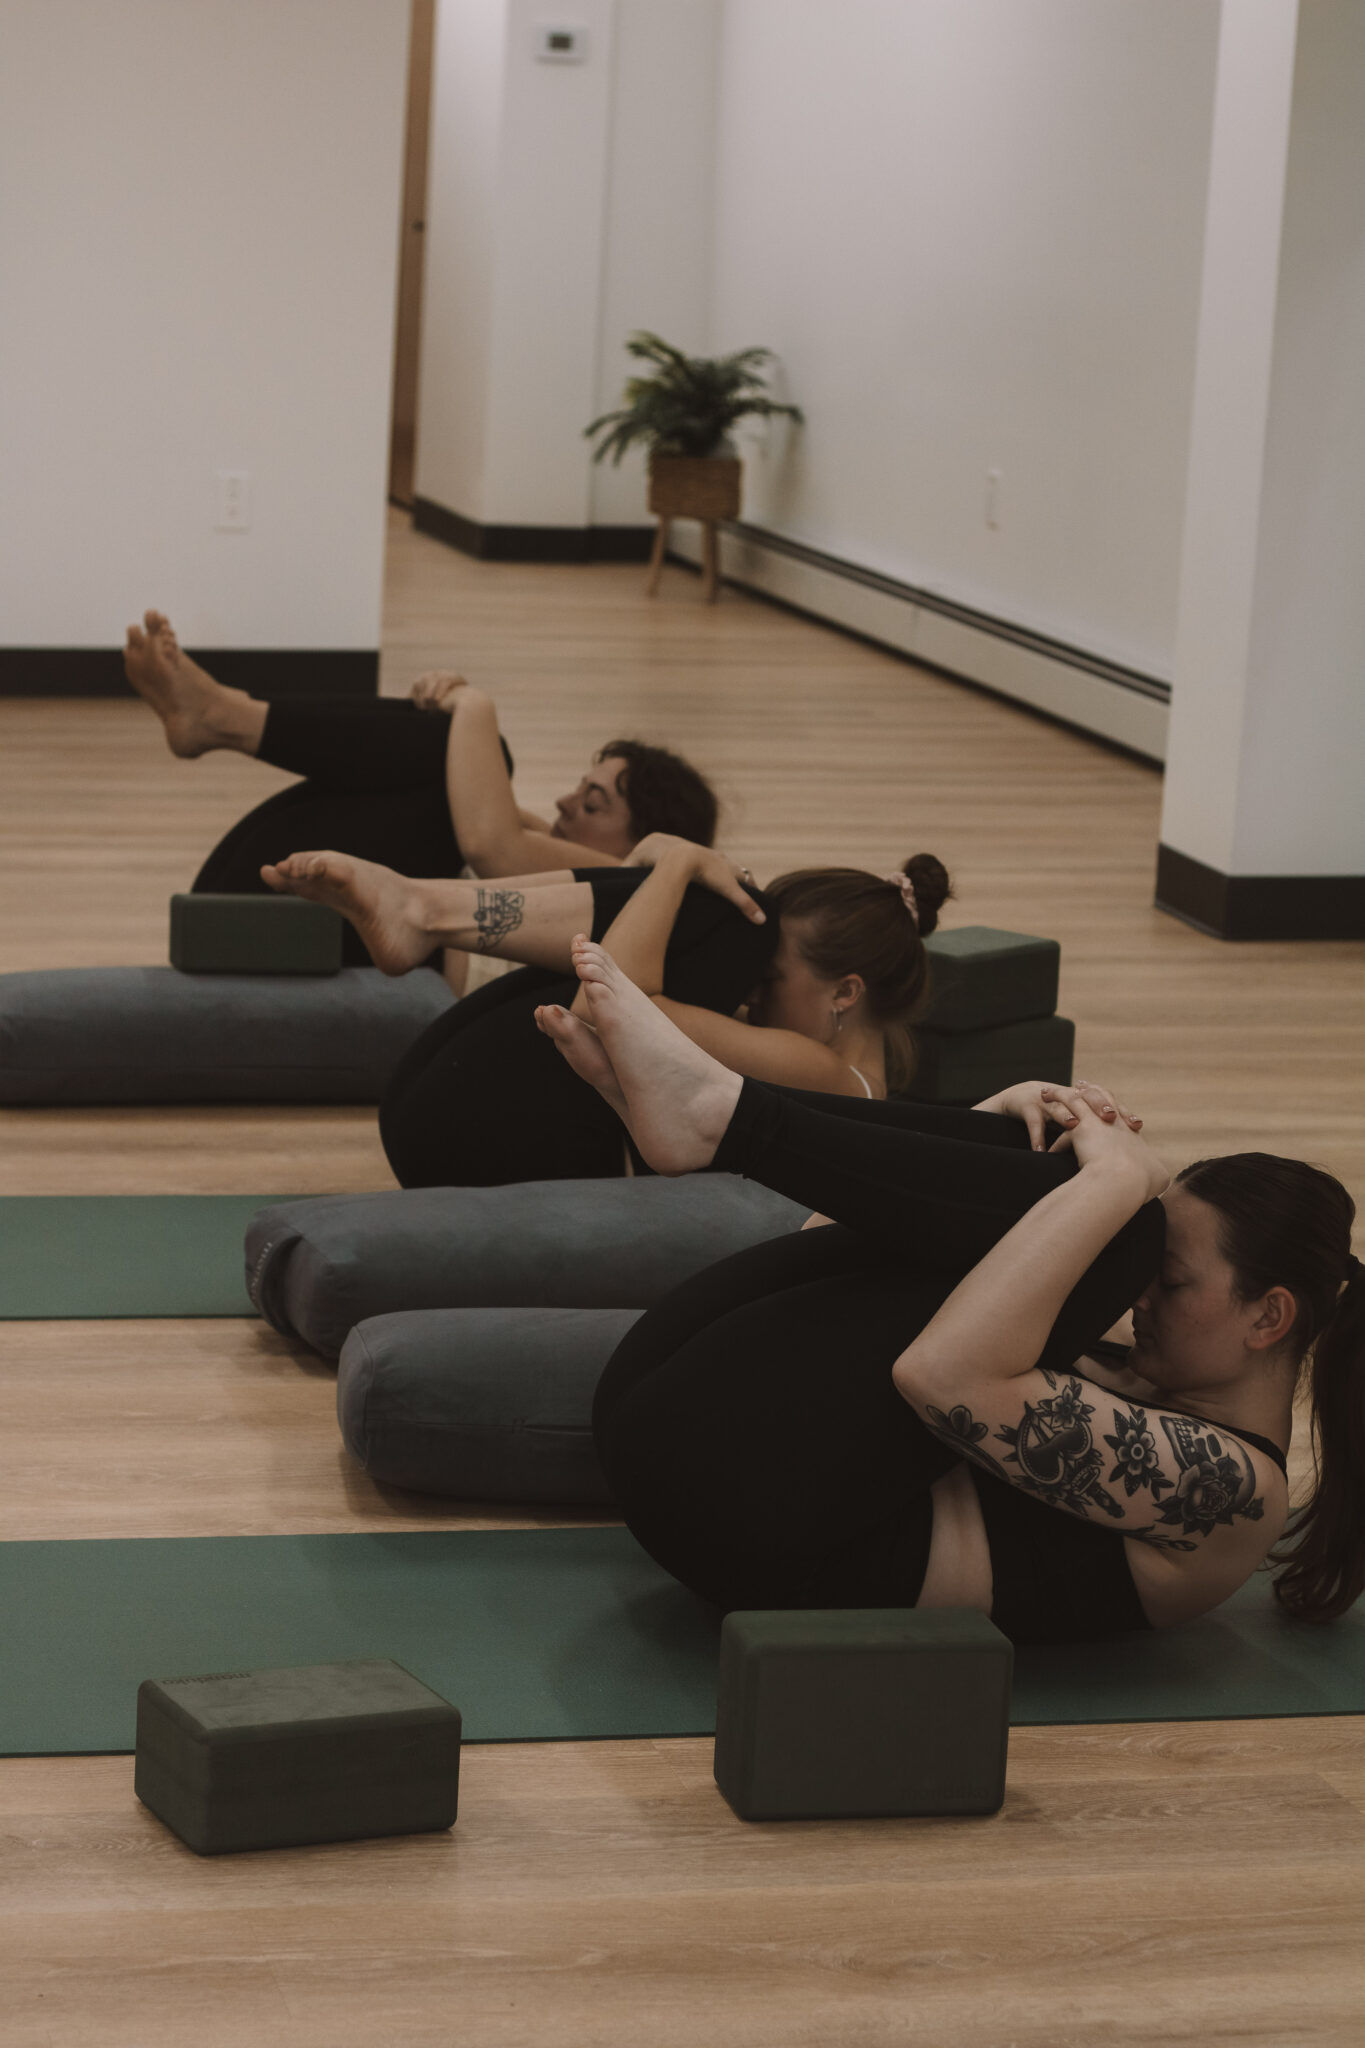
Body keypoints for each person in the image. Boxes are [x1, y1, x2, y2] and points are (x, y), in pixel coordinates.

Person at [532, 937, 1364, 1642]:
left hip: (747, 1532)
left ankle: (722, 1118)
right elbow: (828, 1262)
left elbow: (939, 1379)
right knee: (1035, 1163)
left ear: (1269, 1316)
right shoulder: (1141, 1374)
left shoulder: (1236, 1494)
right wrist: (987, 1124)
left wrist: (1111, 1194)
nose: (1142, 1298)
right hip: (674, 1439)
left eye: (1172, 1283)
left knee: (1117, 1228)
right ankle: (710, 1117)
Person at [261, 835, 952, 1187]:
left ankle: (426, 909)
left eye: (770, 977)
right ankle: (422, 909)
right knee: (712, 916)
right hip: (450, 1126)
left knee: (723, 918)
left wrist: (678, 866)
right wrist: (667, 861)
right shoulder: (831, 1065)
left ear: (846, 993)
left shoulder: (831, 1077)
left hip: (493, 1146)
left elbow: (614, 1007)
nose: (752, 993)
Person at [121, 609, 719, 968]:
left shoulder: (627, 885)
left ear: (648, 841)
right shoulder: (573, 868)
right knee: (453, 762)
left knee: (471, 756)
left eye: (593, 804)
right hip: (246, 907)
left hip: (269, 924)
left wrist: (471, 702)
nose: (565, 803)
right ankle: (224, 718)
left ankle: (226, 717)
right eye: (577, 789)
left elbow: (493, 845)